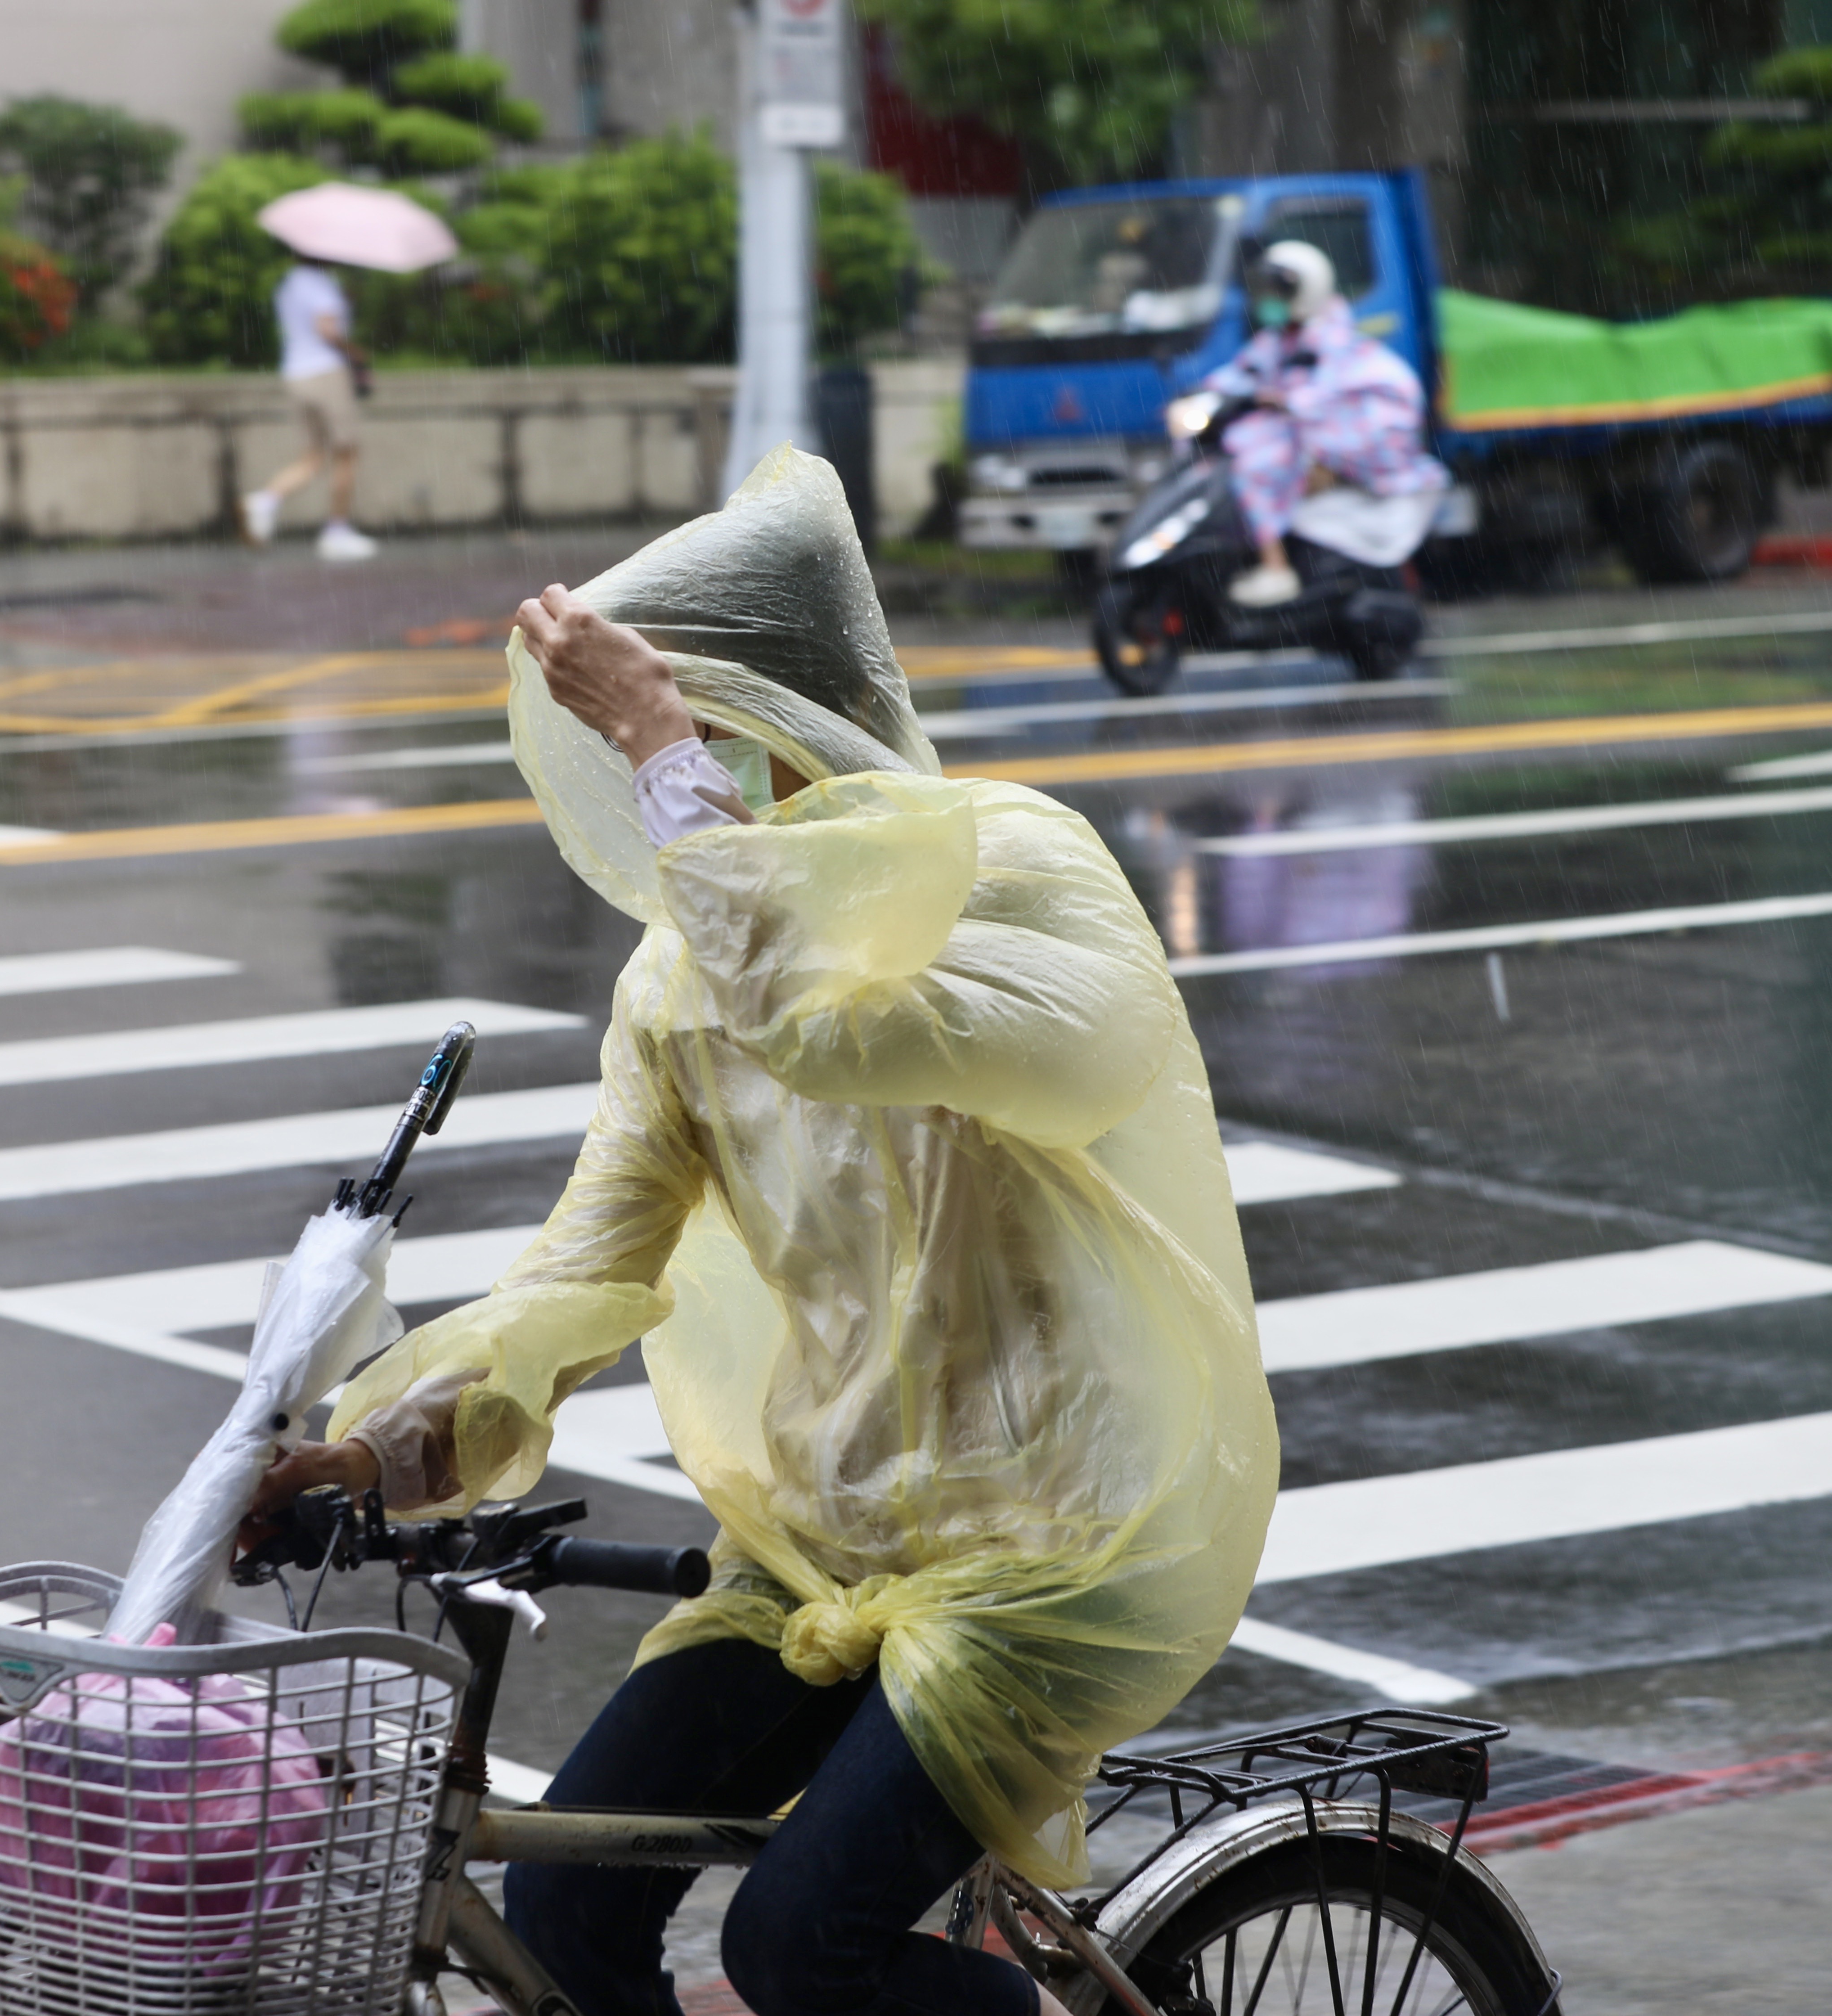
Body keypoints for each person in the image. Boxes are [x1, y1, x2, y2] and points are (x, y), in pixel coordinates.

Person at [244, 450, 1278, 2016]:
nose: (690, 781)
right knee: (562, 1912)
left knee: (799, 1948)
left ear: (819, 719)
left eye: (716, 733)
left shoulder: (1016, 869)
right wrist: (372, 1455)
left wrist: (664, 745)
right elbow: (586, 1272)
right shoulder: (680, 982)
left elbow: (828, 1017)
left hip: (1065, 1551)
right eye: (671, 743)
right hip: (825, 1541)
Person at [1206, 239, 1446, 609]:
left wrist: (1281, 400)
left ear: (1305, 290)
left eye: (1276, 290)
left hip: (1346, 444)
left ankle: (1276, 567)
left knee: (1254, 464)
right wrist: (1203, 393)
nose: (1267, 298)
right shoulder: (1279, 337)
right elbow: (1243, 373)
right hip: (1305, 437)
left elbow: (1323, 394)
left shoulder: (1331, 337)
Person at [242, 257, 377, 561]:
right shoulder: (322, 285)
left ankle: (265, 501)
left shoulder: (291, 284)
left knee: (314, 456)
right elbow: (326, 329)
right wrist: (354, 352)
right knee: (347, 453)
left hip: (296, 374)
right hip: (326, 373)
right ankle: (337, 531)